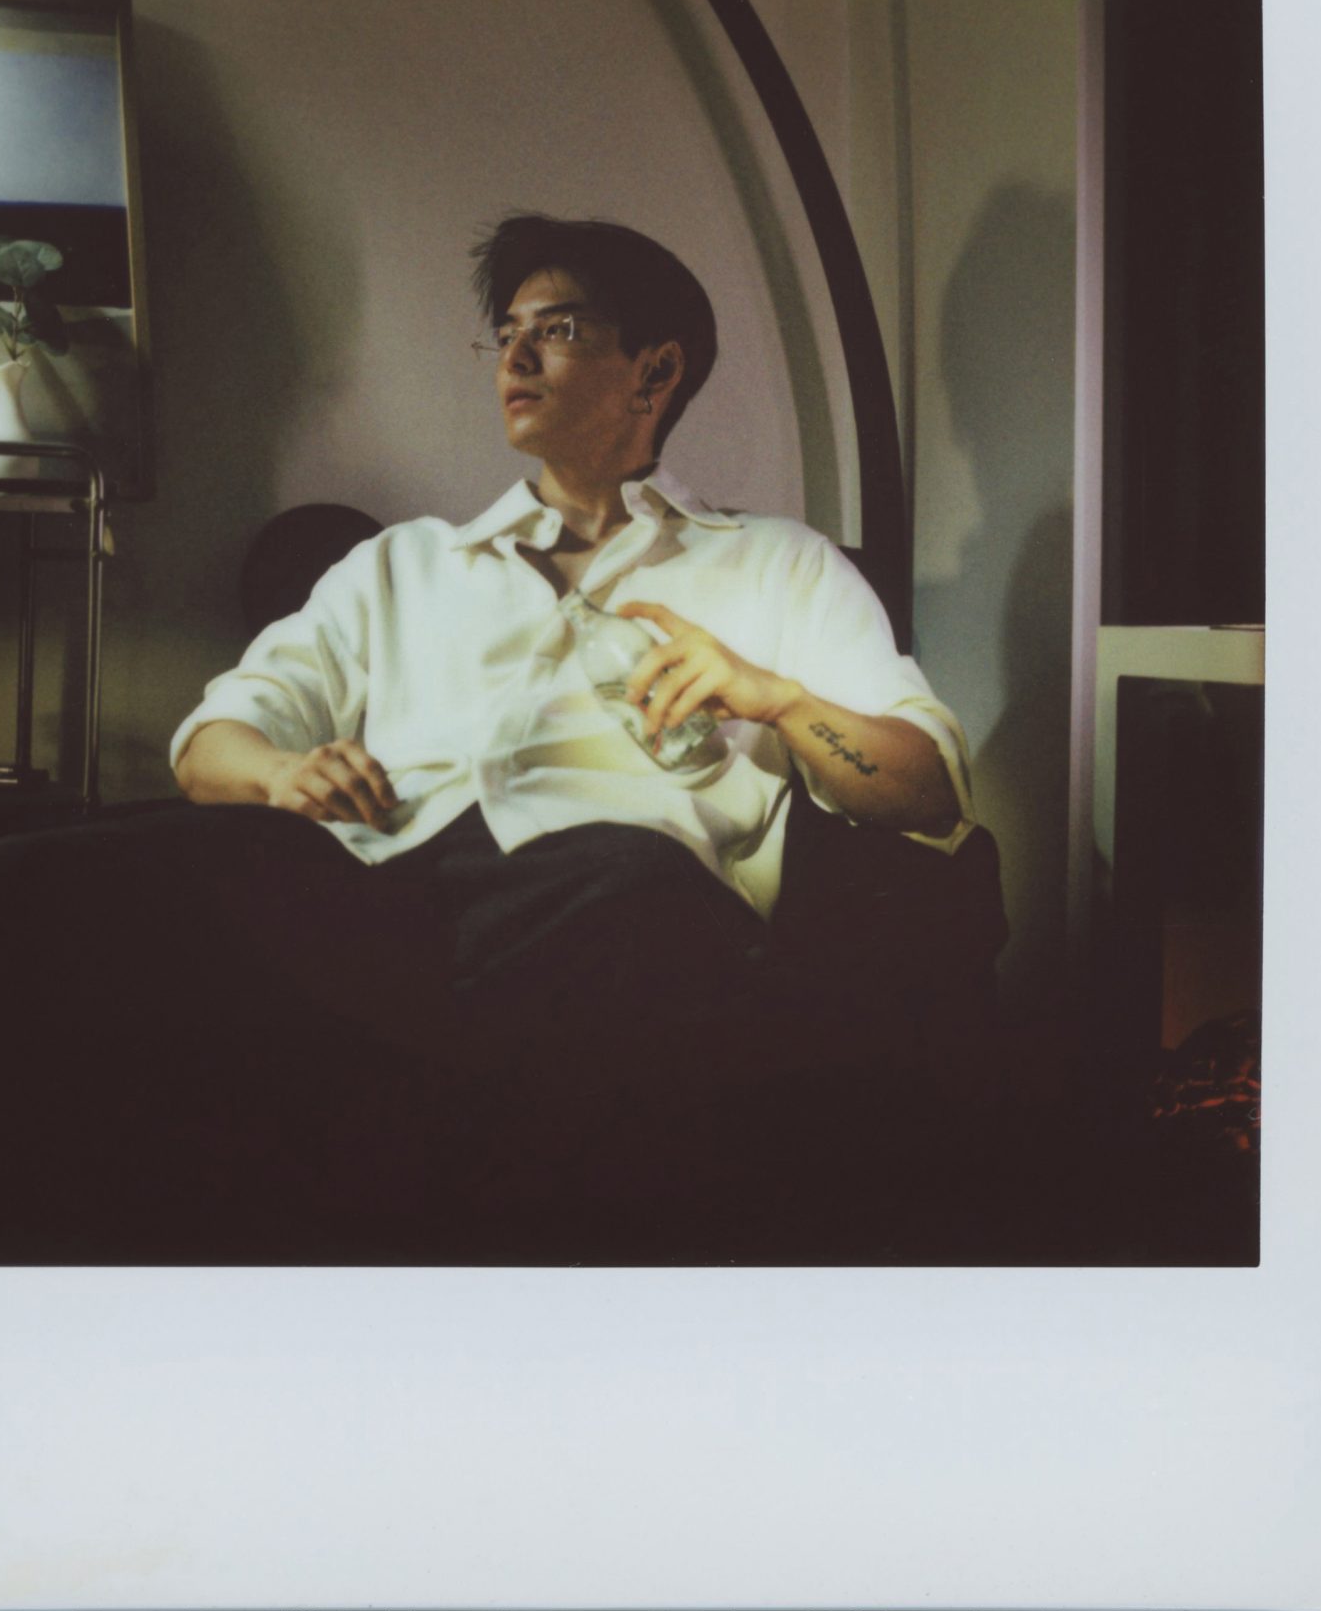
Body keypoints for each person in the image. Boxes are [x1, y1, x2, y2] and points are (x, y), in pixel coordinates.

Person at [150, 217, 979, 1242]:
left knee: (630, 897)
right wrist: (280, 776)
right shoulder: (401, 566)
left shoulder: (779, 564)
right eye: (505, 333)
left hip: (621, 908)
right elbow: (213, 738)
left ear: (655, 370)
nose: (515, 357)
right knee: (95, 891)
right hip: (383, 891)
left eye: (558, 329)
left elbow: (925, 788)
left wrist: (772, 698)